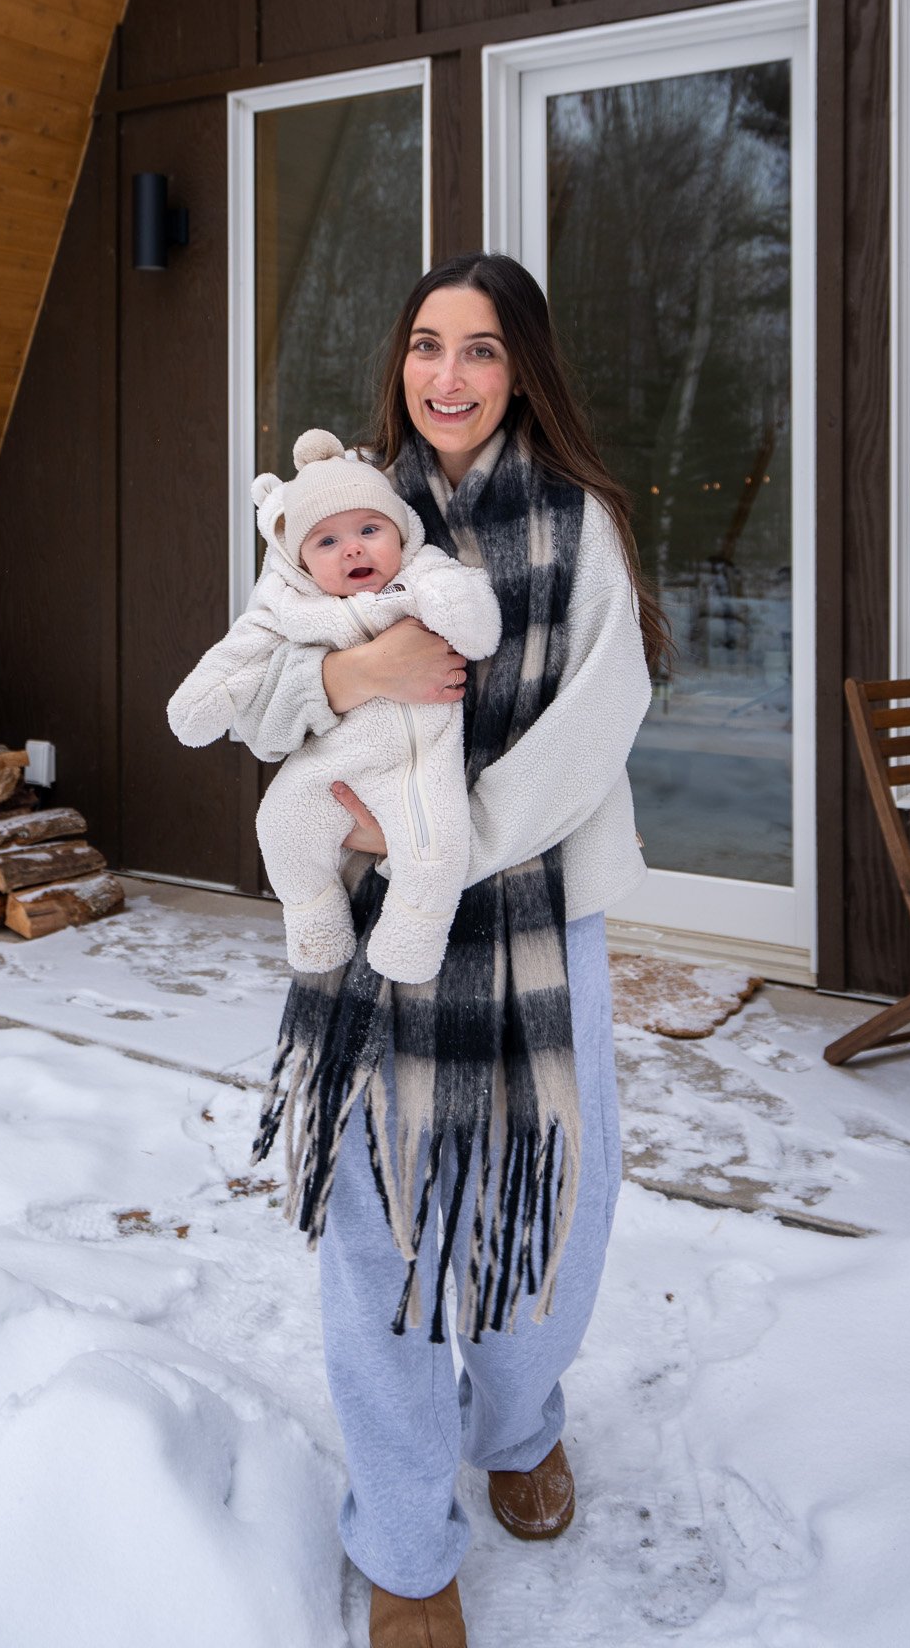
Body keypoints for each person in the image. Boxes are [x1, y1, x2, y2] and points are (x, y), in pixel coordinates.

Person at [225, 253, 665, 1648]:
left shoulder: (576, 520)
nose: (449, 376)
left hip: (532, 909)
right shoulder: (342, 509)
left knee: (559, 1213)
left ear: (522, 367)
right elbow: (251, 682)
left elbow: (603, 716)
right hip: (366, 936)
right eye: (426, 345)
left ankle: (520, 1414)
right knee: (379, 1230)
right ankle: (408, 1546)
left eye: (479, 349)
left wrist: (446, 845)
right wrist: (351, 676)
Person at [165, 427, 501, 984]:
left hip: (417, 766)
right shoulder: (292, 606)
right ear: (299, 559)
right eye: (326, 542)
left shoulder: (424, 577)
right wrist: (204, 700)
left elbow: (479, 629)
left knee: (435, 852)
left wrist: (447, 598)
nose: (353, 548)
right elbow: (239, 656)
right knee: (280, 825)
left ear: (402, 531)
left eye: (370, 529)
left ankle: (410, 943)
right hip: (329, 764)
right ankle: (314, 921)